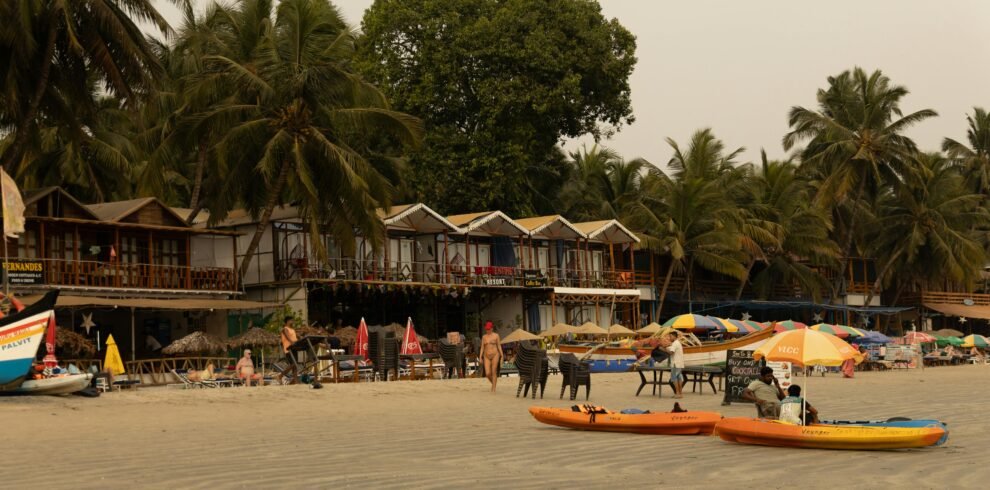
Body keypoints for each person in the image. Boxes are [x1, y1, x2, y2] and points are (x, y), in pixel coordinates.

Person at [480, 321, 504, 393]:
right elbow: (482, 347)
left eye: (489, 329)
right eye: (486, 329)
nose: (487, 330)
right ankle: (494, 383)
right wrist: (480, 356)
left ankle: (493, 388)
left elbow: (499, 346)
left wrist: (502, 355)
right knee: (487, 373)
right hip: (486, 355)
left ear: (492, 328)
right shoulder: (484, 337)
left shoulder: (496, 335)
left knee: (494, 371)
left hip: (495, 354)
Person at [666, 331, 685, 399]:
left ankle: (677, 393)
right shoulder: (678, 343)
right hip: (679, 363)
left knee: (674, 378)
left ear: (674, 336)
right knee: (679, 378)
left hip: (675, 363)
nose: (669, 338)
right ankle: (680, 393)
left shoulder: (675, 343)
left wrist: (663, 349)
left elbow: (671, 352)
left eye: (670, 336)